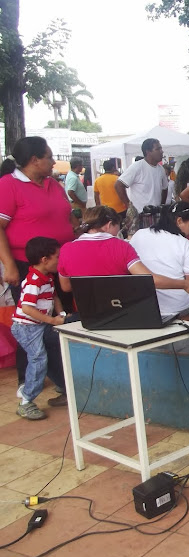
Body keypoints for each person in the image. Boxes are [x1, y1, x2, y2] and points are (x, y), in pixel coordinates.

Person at [0, 137, 76, 391]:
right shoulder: (8, 185)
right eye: (49, 156)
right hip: (27, 265)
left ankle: (63, 377)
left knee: (60, 317)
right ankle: (28, 381)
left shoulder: (53, 184)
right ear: (35, 160)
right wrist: (9, 265)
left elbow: (65, 216)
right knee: (30, 323)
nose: (54, 161)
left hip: (59, 263)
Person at [57, 206, 189, 299]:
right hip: (119, 308)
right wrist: (185, 285)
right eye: (117, 228)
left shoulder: (66, 249)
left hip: (86, 312)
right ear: (108, 225)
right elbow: (149, 279)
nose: (118, 232)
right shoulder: (120, 246)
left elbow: (66, 287)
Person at [11, 237, 67, 420]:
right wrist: (51, 320)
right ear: (45, 260)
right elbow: (27, 308)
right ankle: (26, 401)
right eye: (57, 257)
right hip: (26, 327)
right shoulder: (34, 281)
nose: (60, 260)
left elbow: (54, 297)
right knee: (38, 358)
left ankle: (64, 388)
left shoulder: (47, 278)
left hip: (38, 324)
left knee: (51, 354)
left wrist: (62, 315)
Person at [130, 203, 189, 318]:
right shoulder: (183, 243)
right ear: (179, 221)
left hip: (143, 305)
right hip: (176, 307)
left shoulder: (138, 235)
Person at [115, 138, 168, 237]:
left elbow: (165, 188)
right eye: (158, 149)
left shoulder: (161, 169)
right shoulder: (137, 167)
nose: (162, 151)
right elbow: (119, 185)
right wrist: (129, 206)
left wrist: (161, 206)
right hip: (139, 215)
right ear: (148, 152)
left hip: (156, 214)